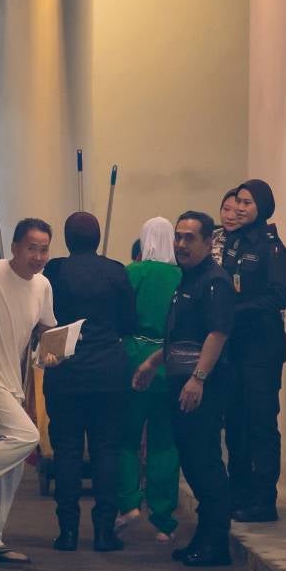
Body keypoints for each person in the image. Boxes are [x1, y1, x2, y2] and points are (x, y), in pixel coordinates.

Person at [133, 211, 234, 567]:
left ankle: (216, 545)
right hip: (180, 381)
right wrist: (153, 362)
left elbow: (216, 333)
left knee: (205, 464)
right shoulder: (187, 279)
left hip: (201, 388)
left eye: (190, 238)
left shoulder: (214, 281)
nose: (181, 244)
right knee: (192, 463)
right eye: (178, 237)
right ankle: (203, 540)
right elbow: (181, 336)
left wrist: (198, 378)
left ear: (209, 243)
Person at [44, 212, 136, 552]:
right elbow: (129, 322)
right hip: (109, 373)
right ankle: (103, 532)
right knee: (105, 452)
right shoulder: (116, 271)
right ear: (97, 240)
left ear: (66, 241)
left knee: (66, 452)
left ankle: (67, 532)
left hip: (64, 370)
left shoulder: (53, 271)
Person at [0, 218, 58, 563]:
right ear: (15, 247)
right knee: (26, 437)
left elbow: (46, 335)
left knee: (15, 467)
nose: (38, 256)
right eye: (31, 248)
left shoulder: (43, 286)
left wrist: (49, 355)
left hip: (12, 382)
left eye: (43, 249)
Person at [221, 179, 286, 522]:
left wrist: (237, 309)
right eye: (238, 202)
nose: (241, 208)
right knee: (235, 422)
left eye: (248, 202)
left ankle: (264, 500)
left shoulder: (270, 247)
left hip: (261, 348)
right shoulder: (233, 242)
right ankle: (240, 493)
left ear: (262, 206)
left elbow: (279, 297)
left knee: (260, 422)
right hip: (234, 347)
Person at [115, 217, 183, 543]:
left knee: (126, 436)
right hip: (170, 366)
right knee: (165, 442)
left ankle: (128, 504)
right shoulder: (182, 276)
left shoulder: (131, 273)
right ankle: (164, 519)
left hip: (133, 361)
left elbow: (120, 318)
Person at [211, 188, 240, 265]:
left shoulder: (253, 242)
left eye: (237, 212)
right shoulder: (210, 237)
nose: (230, 217)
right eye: (226, 209)